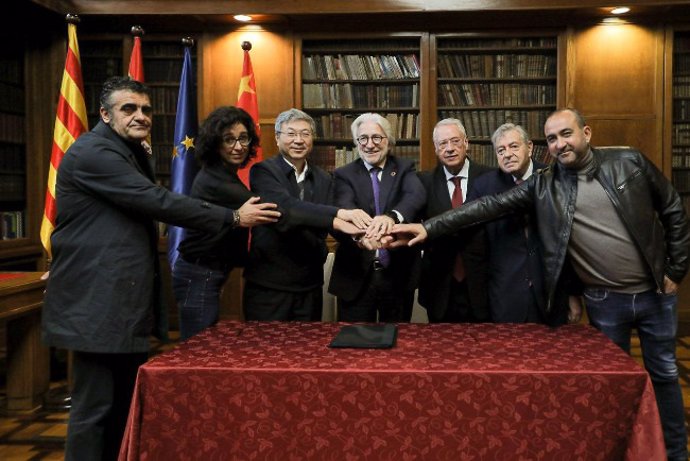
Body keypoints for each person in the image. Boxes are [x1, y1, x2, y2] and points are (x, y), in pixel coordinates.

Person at [387, 108, 689, 461]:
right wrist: (427, 228)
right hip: (605, 300)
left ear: (586, 133)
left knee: (666, 375)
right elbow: (485, 207)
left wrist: (676, 269)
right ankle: (617, 450)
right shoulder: (547, 183)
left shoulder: (628, 162)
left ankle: (676, 453)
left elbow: (672, 208)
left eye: (566, 134)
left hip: (655, 291)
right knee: (610, 383)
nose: (560, 144)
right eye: (553, 139)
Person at [41, 77, 280, 461]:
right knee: (95, 408)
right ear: (104, 114)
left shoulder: (129, 150)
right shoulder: (94, 152)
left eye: (146, 109)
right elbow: (154, 201)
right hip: (97, 301)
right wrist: (233, 217)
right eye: (128, 109)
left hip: (119, 299)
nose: (141, 116)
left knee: (122, 402)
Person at [243, 108, 367, 321]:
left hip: (309, 284)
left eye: (305, 134)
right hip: (269, 285)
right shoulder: (263, 172)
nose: (298, 140)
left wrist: (362, 235)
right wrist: (339, 215)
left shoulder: (324, 178)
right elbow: (286, 209)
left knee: (307, 352)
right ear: (277, 137)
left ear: (312, 139)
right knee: (266, 352)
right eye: (291, 134)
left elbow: (333, 228)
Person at [172, 106, 269, 340]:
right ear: (215, 143)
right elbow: (272, 209)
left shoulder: (224, 173)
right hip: (199, 271)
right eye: (229, 140)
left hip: (207, 270)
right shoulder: (216, 180)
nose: (238, 147)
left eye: (243, 138)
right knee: (198, 347)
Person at [328, 112, 426, 322]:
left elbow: (415, 195)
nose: (370, 144)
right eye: (363, 138)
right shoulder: (343, 174)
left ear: (388, 142)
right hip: (355, 276)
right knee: (354, 346)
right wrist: (361, 237)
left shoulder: (404, 168)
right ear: (356, 142)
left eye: (376, 138)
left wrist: (391, 217)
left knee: (398, 343)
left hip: (397, 275)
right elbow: (344, 205)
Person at [466, 122, 565, 324]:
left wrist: (573, 293)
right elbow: (473, 244)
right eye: (501, 150)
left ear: (529, 147)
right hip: (505, 292)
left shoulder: (554, 178)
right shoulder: (484, 186)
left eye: (513, 146)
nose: (507, 154)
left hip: (550, 292)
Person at [417, 118, 491, 323]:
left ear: (466, 143)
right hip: (439, 284)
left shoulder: (490, 178)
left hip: (482, 282)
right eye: (443, 144)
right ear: (436, 148)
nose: (449, 148)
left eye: (455, 141)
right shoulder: (423, 181)